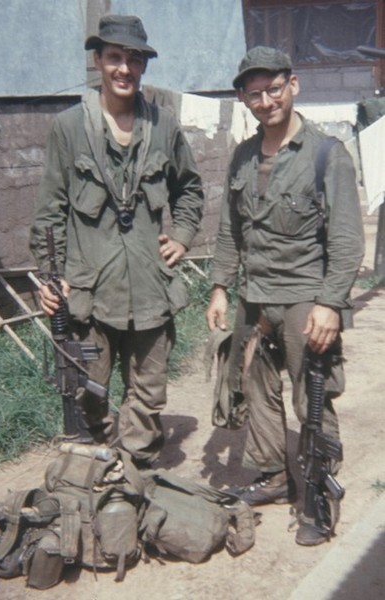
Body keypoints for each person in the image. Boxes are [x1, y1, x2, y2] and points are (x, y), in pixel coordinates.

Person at [206, 46, 364, 544]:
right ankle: (273, 475)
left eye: (274, 88)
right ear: (243, 98)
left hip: (304, 299)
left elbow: (346, 238)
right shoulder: (243, 156)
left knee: (311, 395)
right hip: (255, 297)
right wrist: (219, 286)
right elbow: (231, 229)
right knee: (254, 388)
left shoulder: (326, 154)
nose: (266, 100)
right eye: (254, 93)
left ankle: (319, 492)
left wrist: (331, 303)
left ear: (293, 84)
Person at [30, 14, 204, 467]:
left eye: (133, 59)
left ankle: (137, 476)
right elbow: (50, 211)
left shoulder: (163, 126)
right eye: (114, 58)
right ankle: (106, 468)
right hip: (89, 291)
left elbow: (189, 188)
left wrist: (182, 235)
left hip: (150, 288)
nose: (123, 69)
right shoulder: (68, 129)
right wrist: (51, 282)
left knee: (148, 394)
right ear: (98, 62)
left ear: (144, 66)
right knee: (91, 389)